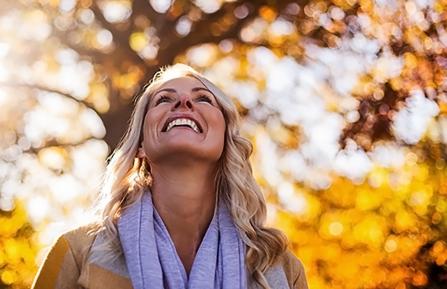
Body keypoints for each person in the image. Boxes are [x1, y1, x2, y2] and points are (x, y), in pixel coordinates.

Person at [31, 64, 309, 289]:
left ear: (226, 141)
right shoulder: (77, 252)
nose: (184, 102)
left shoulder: (279, 267)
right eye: (164, 99)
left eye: (203, 98)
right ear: (140, 144)